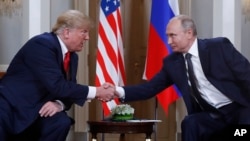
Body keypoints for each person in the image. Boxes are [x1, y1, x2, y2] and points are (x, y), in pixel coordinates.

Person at [114, 15, 250, 141]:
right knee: (190, 122)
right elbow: (150, 88)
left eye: (173, 36)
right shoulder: (172, 63)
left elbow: (246, 75)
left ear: (189, 33)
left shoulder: (218, 47)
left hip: (238, 110)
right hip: (212, 116)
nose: (168, 41)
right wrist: (117, 91)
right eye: (167, 36)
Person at [0, 10, 114, 141]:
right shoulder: (42, 44)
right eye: (84, 32)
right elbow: (58, 85)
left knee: (60, 122)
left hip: (38, 109)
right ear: (66, 32)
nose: (87, 37)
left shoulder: (72, 57)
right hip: (11, 107)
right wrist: (97, 91)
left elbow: (69, 88)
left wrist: (59, 104)